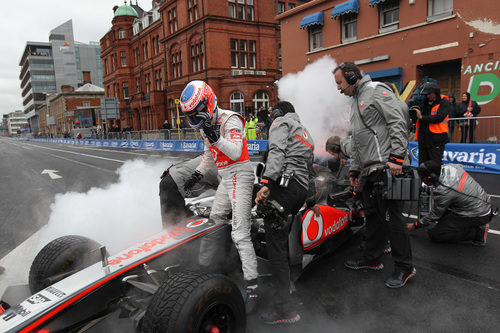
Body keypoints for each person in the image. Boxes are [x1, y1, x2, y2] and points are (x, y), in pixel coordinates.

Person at [333, 61, 415, 288]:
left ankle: (405, 268)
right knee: (373, 216)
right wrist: (355, 169)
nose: (339, 88)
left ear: (351, 77)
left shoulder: (376, 90)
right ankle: (371, 259)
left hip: (387, 167)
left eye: (340, 82)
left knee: (392, 220)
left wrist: (397, 157)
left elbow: (398, 121)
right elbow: (359, 142)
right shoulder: (356, 103)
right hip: (369, 170)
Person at [179, 80, 259, 304]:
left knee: (240, 234)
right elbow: (208, 156)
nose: (194, 120)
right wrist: (196, 174)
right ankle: (209, 266)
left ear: (208, 103)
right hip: (226, 176)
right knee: (214, 220)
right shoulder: (206, 126)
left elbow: (234, 152)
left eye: (197, 114)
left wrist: (215, 137)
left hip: (240, 175)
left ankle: (252, 285)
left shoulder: (230, 119)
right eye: (191, 116)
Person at [255, 100, 318, 325]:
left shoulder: (280, 122)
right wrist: (310, 199)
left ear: (280, 113)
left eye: (273, 113)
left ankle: (284, 309)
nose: (271, 116)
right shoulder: (305, 133)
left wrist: (266, 182)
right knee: (281, 238)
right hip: (299, 192)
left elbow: (277, 151)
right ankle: (288, 289)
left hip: (284, 187)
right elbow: (310, 170)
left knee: (276, 248)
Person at [408, 161, 494, 245]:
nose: (423, 181)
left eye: (423, 178)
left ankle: (478, 233)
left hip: (477, 214)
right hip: (481, 203)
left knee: (436, 235)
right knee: (443, 218)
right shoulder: (452, 167)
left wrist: (416, 225)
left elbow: (435, 214)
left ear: (432, 177)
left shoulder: (444, 190)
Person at [159, 155, 219, 228]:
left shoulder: (219, 157)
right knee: (174, 227)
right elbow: (228, 194)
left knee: (181, 223)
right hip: (172, 183)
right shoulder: (225, 167)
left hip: (174, 180)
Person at [411, 81, 450, 166]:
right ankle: (424, 179)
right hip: (423, 139)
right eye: (426, 94)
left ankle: (434, 179)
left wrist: (422, 117)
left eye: (429, 94)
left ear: (435, 93)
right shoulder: (424, 103)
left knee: (434, 164)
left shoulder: (444, 102)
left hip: (436, 139)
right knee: (422, 164)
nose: (427, 96)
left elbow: (439, 117)